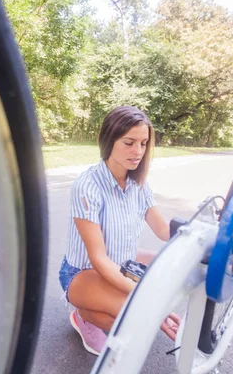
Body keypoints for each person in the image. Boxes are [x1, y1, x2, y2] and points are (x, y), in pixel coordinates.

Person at [58, 105, 180, 356]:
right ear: (109, 140)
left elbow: (163, 230)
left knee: (170, 267)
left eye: (144, 143)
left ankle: (108, 305)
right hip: (84, 272)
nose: (138, 152)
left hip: (121, 264)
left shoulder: (139, 183)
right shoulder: (88, 185)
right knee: (136, 320)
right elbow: (99, 259)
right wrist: (145, 296)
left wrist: (202, 230)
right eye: (129, 142)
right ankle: (83, 315)